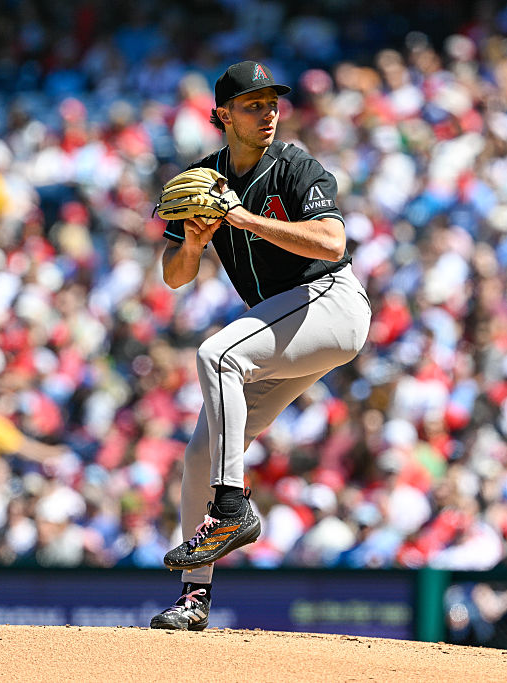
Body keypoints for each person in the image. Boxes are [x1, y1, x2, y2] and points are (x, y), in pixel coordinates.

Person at [149, 61, 371, 630]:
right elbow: (174, 276)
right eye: (253, 104)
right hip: (284, 324)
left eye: (271, 102)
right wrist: (196, 245)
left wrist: (243, 219)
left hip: (331, 302)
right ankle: (193, 598)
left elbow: (332, 241)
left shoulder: (296, 166)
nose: (267, 112)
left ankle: (231, 505)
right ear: (222, 115)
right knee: (200, 455)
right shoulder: (205, 176)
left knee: (218, 354)